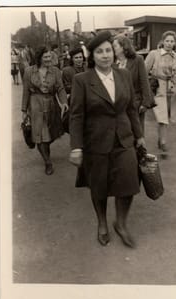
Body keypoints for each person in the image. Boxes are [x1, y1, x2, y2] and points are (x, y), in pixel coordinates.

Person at [69, 31, 146, 248]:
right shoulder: (82, 80)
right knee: (99, 186)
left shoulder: (123, 75)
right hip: (96, 142)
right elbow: (76, 115)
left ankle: (120, 223)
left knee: (129, 184)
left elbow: (131, 108)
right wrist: (76, 147)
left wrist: (139, 136)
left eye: (108, 50)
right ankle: (102, 223)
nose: (105, 55)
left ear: (114, 52)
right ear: (92, 56)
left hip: (124, 139)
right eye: (99, 51)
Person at [21, 46, 68, 175]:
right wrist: (24, 110)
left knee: (50, 134)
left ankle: (45, 151)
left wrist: (64, 102)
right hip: (35, 104)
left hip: (51, 104)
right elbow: (25, 91)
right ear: (39, 58)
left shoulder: (56, 71)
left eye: (50, 57)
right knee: (40, 134)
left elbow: (60, 88)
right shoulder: (29, 71)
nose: (49, 59)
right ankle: (48, 162)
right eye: (46, 57)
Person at [145, 30, 176, 156]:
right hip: (158, 88)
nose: (169, 43)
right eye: (167, 41)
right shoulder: (154, 54)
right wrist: (144, 89)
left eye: (172, 41)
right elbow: (144, 71)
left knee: (168, 117)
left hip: (172, 90)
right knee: (162, 117)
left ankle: (161, 139)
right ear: (162, 41)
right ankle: (163, 142)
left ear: (175, 43)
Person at [112, 35, 155, 134]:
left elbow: (144, 81)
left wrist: (145, 103)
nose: (112, 48)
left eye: (115, 46)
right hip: (119, 105)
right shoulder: (112, 63)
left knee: (137, 132)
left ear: (123, 47)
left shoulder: (137, 60)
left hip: (136, 102)